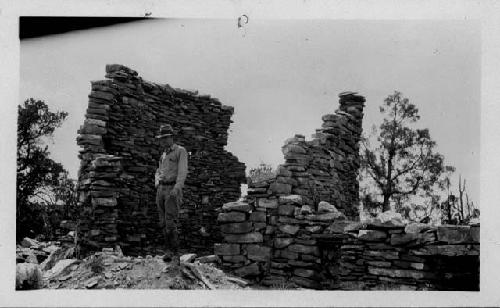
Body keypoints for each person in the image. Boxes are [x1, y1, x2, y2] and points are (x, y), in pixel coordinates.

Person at [154, 124, 188, 264]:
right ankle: (167, 252)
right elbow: (158, 170)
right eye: (161, 138)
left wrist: (177, 188)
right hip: (161, 189)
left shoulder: (180, 151)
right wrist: (157, 182)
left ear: (171, 137)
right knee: (162, 222)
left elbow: (182, 171)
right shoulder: (163, 155)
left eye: (165, 138)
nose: (163, 141)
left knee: (170, 222)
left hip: (172, 189)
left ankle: (175, 254)